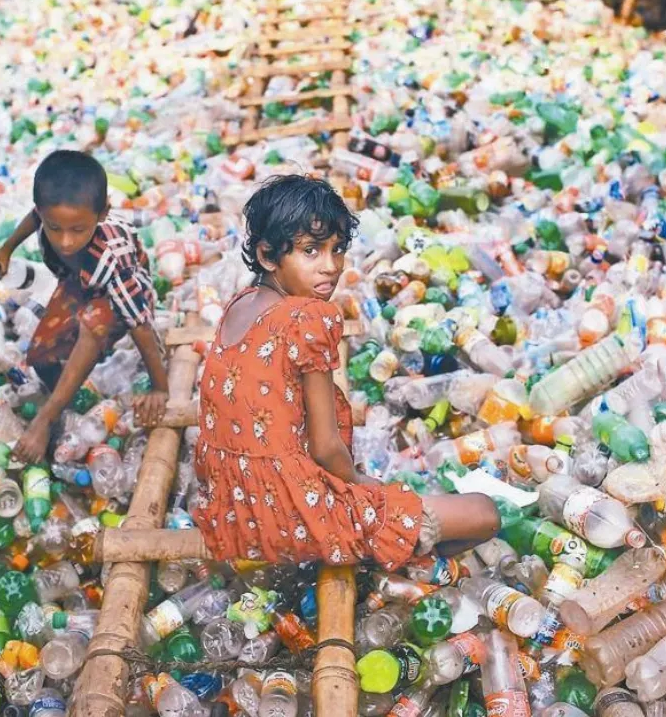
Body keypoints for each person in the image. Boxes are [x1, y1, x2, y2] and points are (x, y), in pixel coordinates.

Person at [190, 174, 502, 570]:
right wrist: (365, 488)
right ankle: (391, 563)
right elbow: (326, 448)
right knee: (484, 512)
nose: (330, 267)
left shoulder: (241, 303)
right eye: (310, 251)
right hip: (291, 513)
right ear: (268, 256)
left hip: (235, 506)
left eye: (337, 250)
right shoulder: (307, 317)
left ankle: (384, 553)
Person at [0, 150, 169, 463]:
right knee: (41, 355)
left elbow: (139, 323)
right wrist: (5, 249)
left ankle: (45, 419)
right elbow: (33, 218)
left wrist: (159, 387)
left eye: (77, 230)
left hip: (124, 293)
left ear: (102, 213)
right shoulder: (52, 218)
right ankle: (67, 402)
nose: (66, 241)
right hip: (78, 284)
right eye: (55, 228)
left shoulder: (112, 255)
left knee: (93, 324)